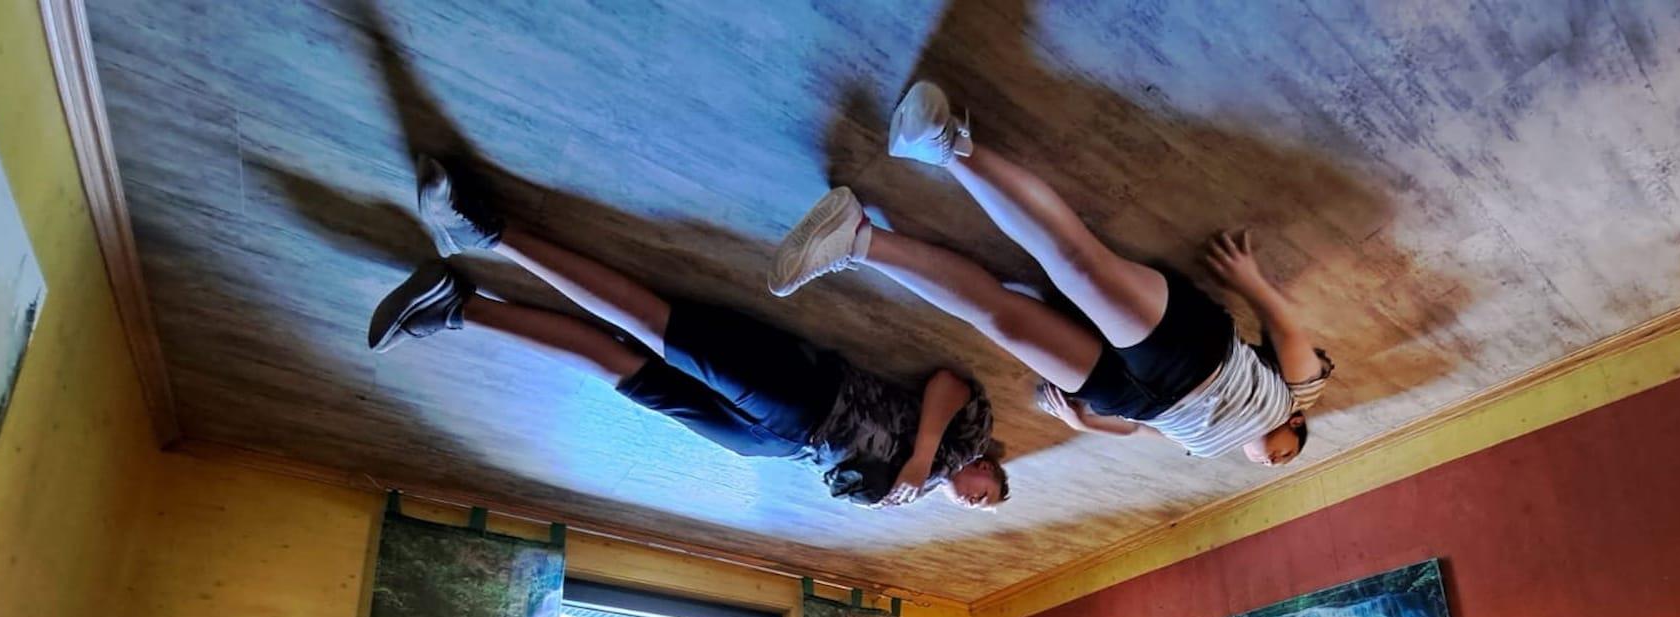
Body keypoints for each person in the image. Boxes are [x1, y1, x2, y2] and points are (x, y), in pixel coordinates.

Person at [368, 157, 1009, 510]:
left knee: (621, 370)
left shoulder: (919, 495)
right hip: (812, 396)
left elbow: (849, 482)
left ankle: (457, 307)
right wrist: (923, 456)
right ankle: (486, 231)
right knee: (652, 324)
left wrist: (883, 489)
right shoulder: (967, 439)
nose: (978, 505)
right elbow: (949, 384)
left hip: (779, 447)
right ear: (986, 468)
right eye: (990, 497)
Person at [767, 80, 1333, 466]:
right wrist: (1250, 280)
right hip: (1197, 356)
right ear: (1295, 426)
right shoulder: (1297, 398)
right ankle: (945, 141)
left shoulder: (1206, 448)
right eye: (1287, 456)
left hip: (1134, 401)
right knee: (1078, 265)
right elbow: (1287, 330)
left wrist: (1085, 425)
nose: (1273, 462)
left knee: (1004, 321)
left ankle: (858, 238)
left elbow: (1144, 431)